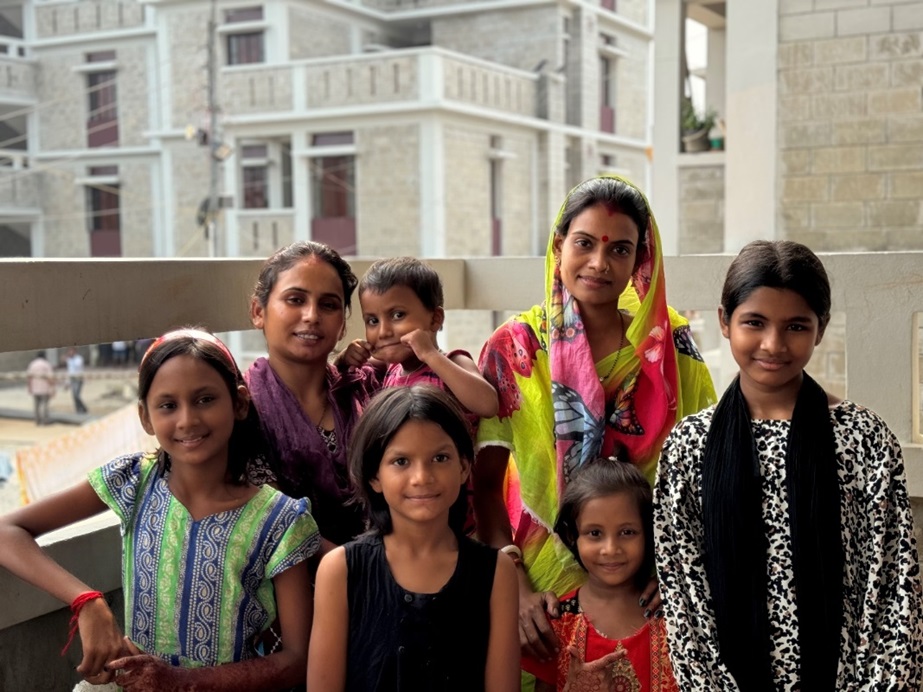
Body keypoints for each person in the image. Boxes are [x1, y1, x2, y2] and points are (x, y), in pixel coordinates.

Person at [472, 176, 716, 677]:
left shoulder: (669, 347)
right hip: (537, 588)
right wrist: (515, 587)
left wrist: (673, 569)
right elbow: (484, 484)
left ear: (639, 260)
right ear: (559, 245)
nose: (599, 264)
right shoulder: (517, 348)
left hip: (647, 584)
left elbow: (702, 473)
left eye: (620, 249)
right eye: (584, 244)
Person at [654, 240, 923, 690]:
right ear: (724, 321)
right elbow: (685, 600)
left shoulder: (863, 440)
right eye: (754, 323)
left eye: (795, 326)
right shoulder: (688, 448)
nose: (773, 344)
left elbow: (893, 588)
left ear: (821, 329)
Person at [0, 328, 318, 690]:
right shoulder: (133, 481)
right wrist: (86, 601)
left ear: (240, 403)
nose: (187, 420)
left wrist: (181, 682)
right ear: (146, 417)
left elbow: (297, 658)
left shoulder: (280, 520)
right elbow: (7, 531)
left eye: (205, 399)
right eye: (168, 405)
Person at [307, 385, 520, 691]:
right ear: (374, 476)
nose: (422, 477)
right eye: (401, 462)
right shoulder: (341, 569)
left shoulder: (496, 572)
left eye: (440, 458)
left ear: (463, 467)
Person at [247, 241, 381, 547]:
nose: (311, 315)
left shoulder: (366, 390)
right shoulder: (242, 408)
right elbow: (270, 518)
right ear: (258, 311)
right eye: (295, 299)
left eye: (329, 305)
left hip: (388, 567)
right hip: (284, 582)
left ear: (343, 325)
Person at [522, 458, 677, 691]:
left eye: (627, 532)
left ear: (649, 532)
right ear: (572, 535)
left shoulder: (674, 615)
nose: (611, 548)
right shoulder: (557, 624)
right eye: (595, 533)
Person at [340, 256, 499, 420]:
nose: (383, 332)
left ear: (435, 319)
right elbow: (338, 377)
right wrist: (346, 358)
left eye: (397, 315)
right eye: (373, 321)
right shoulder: (390, 368)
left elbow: (488, 405)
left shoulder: (453, 362)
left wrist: (430, 354)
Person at [26, 350, 56, 425]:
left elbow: (29, 377)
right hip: (44, 388)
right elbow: (50, 377)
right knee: (44, 405)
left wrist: (29, 387)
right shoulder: (46, 364)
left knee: (36, 405)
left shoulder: (32, 364)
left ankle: (37, 420)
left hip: (35, 388)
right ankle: (44, 421)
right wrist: (53, 387)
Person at [65, 347, 88, 414]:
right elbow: (69, 371)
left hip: (78, 378)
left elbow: (77, 367)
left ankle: (83, 408)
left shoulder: (79, 359)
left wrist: (70, 359)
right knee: (74, 395)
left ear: (75, 351)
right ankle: (78, 409)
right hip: (72, 378)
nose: (70, 353)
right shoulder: (69, 360)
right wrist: (67, 382)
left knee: (76, 395)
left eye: (71, 351)